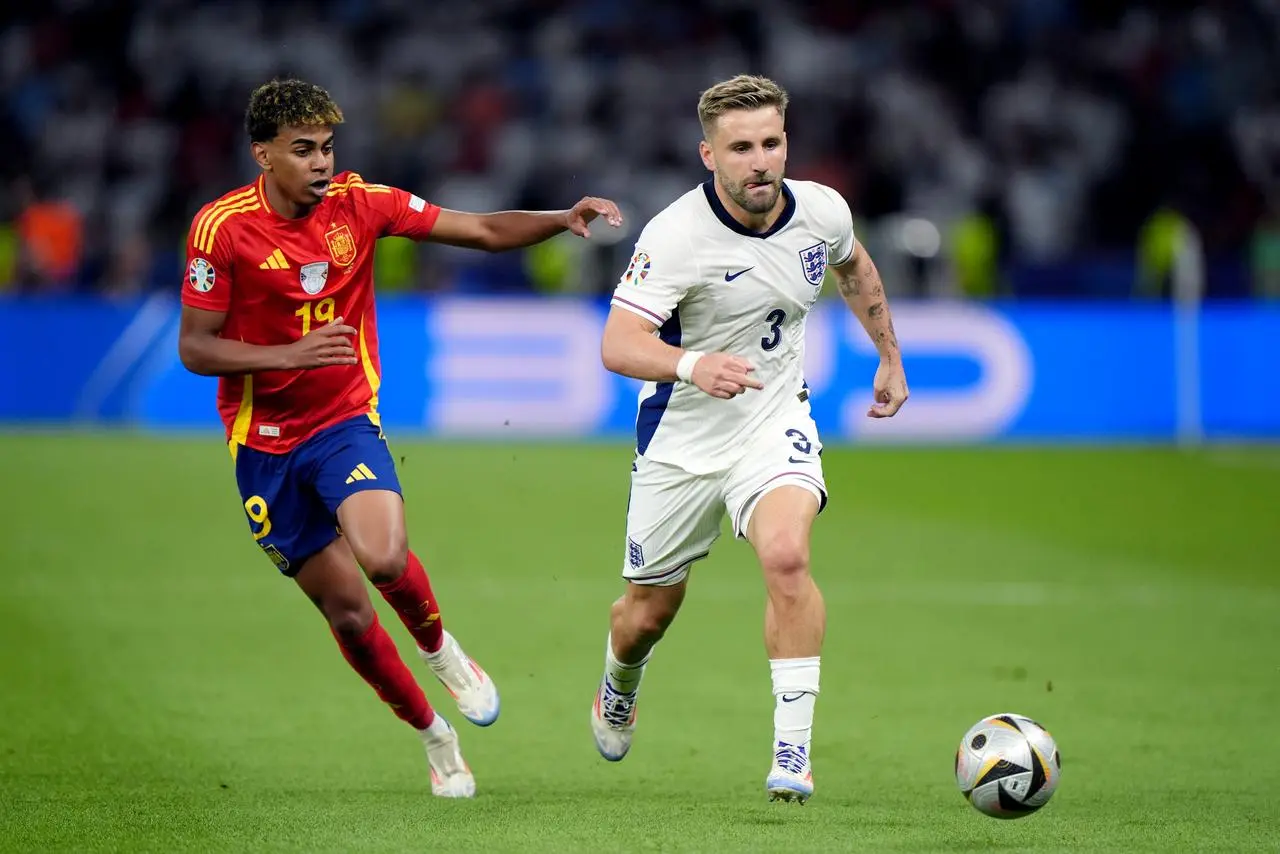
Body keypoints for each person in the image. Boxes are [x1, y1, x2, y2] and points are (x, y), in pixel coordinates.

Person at [177, 78, 622, 799]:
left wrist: (558, 218)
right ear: (263, 154)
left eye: (326, 148)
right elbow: (195, 349)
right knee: (349, 615)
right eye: (302, 151)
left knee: (383, 556)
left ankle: (443, 651)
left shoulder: (362, 204)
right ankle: (433, 738)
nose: (321, 163)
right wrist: (286, 356)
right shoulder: (220, 229)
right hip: (263, 445)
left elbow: (475, 229)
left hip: (344, 420)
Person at [589, 75, 908, 803]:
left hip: (774, 421)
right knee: (646, 614)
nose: (760, 161)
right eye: (741, 148)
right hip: (680, 439)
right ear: (709, 155)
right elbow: (617, 342)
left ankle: (791, 756)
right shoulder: (675, 236)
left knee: (788, 556)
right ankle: (619, 682)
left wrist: (888, 353)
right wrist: (694, 365)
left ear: (786, 142)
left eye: (771, 143)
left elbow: (854, 267)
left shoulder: (821, 210)